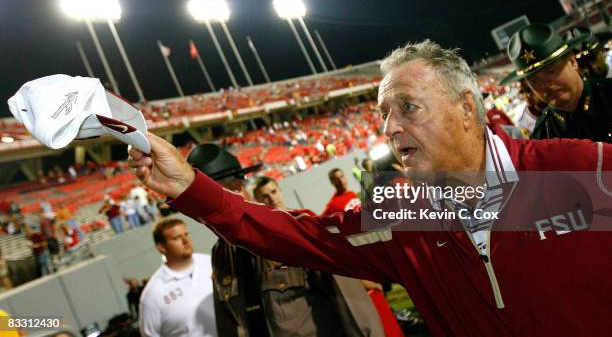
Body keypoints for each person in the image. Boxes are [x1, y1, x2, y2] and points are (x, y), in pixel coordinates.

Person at [129, 40, 612, 335]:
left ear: (468, 108)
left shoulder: (581, 167)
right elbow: (296, 236)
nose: (390, 128)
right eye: (384, 114)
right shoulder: (403, 212)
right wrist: (192, 186)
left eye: (408, 107)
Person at [187, 144, 384, 337]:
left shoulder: (292, 229)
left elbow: (353, 309)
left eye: (207, 205)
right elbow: (228, 326)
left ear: (236, 188)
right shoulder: (221, 255)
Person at [253, 175, 398, 337]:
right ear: (257, 200)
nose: (271, 198)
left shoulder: (305, 220)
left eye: (274, 192)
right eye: (265, 196)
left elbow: (336, 263)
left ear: (280, 191)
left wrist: (360, 280)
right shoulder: (260, 240)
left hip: (330, 314)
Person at [501, 23, 612, 142]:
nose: (546, 85)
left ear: (572, 61)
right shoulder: (543, 136)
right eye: (534, 81)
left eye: (551, 71)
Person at [139, 218, 216, 337]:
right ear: (161, 247)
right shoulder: (153, 294)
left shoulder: (211, 262)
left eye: (186, 234)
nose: (185, 240)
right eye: (177, 238)